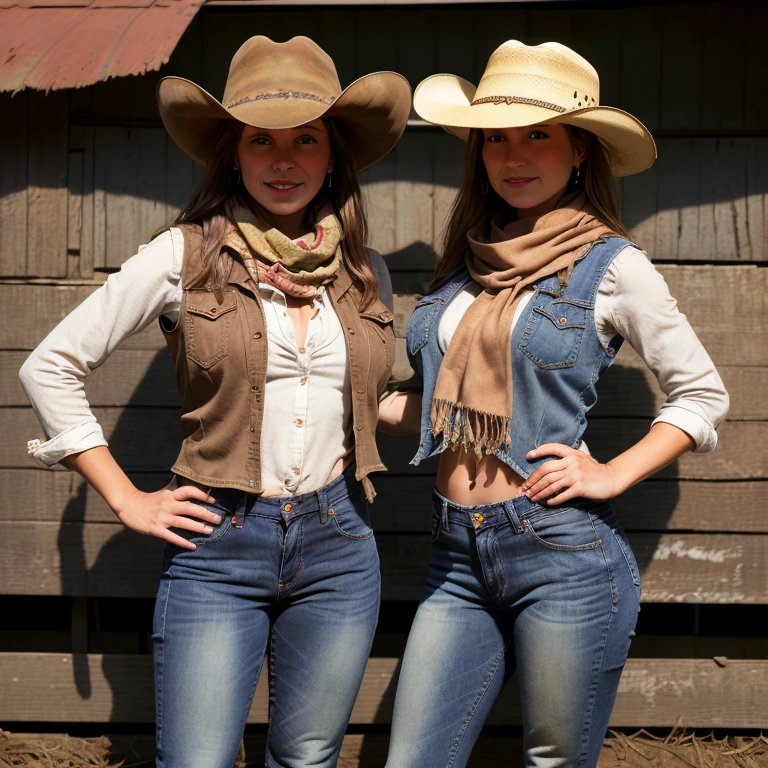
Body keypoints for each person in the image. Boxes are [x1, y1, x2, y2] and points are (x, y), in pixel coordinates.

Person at [20, 35, 410, 768]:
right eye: (261, 140)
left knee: (307, 758)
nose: (284, 160)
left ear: (334, 156)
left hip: (341, 544)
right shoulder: (184, 255)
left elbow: (364, 399)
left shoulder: (364, 272)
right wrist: (129, 501)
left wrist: (459, 409)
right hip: (218, 544)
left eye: (306, 140)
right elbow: (50, 366)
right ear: (233, 152)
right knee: (196, 760)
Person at [379, 41, 729, 768]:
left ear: (580, 151)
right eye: (497, 137)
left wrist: (611, 474)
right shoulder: (465, 268)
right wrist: (343, 401)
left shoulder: (613, 266)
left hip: (560, 551)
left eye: (537, 133)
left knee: (554, 762)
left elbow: (702, 395)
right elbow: (444, 411)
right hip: (455, 555)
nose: (513, 154)